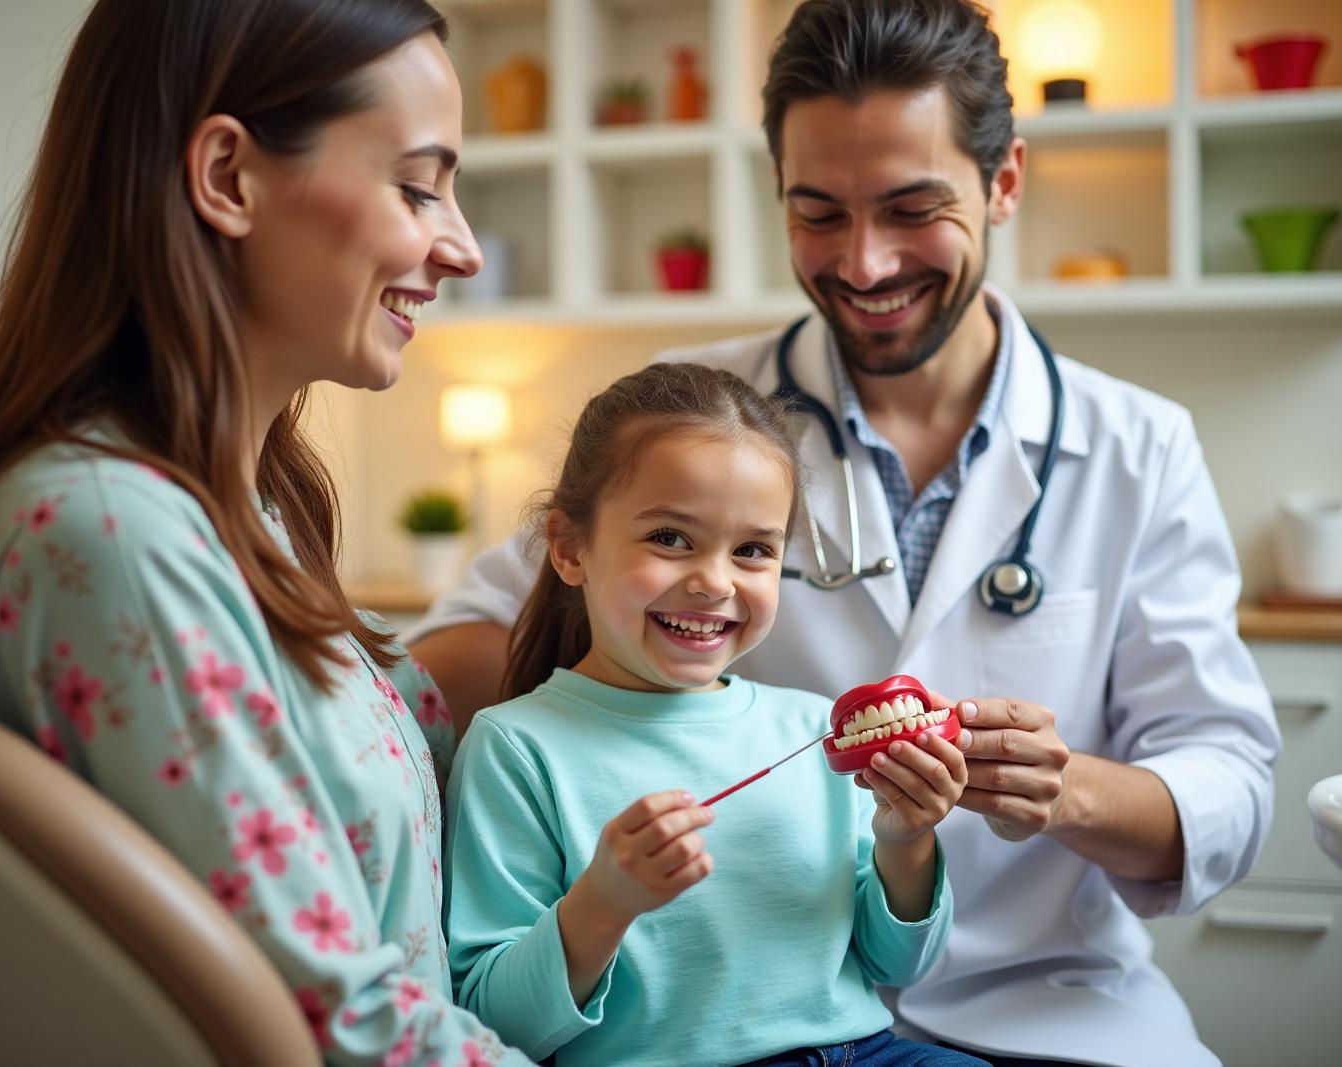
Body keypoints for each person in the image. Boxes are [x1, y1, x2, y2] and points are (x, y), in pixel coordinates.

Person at [408, 2, 1281, 1064]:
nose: (863, 265)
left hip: (1051, 1000)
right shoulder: (704, 423)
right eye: (818, 213)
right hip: (712, 1016)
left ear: (1003, 182)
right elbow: (475, 641)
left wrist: (1061, 787)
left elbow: (1228, 779)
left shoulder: (1137, 446)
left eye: (912, 208)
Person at [0, 1, 535, 1063]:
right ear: (230, 178)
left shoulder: (250, 505)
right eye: (418, 185)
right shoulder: (114, 539)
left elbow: (380, 738)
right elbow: (330, 1021)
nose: (461, 246)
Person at [443, 362, 989, 1067]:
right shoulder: (517, 748)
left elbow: (899, 967)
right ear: (570, 546)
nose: (714, 581)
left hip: (867, 1052)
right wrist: (603, 902)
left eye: (754, 549)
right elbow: (496, 1020)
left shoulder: (814, 728)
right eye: (670, 537)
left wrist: (906, 840)